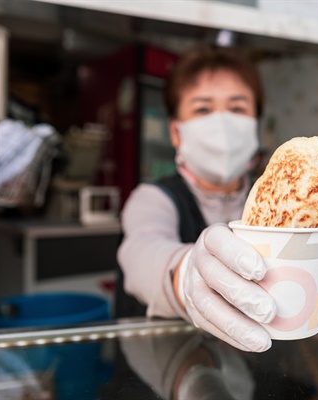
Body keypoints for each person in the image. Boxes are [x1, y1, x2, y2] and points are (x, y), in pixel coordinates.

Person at [116, 47, 277, 353]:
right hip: (163, 368)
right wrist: (186, 273)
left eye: (237, 108)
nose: (222, 125)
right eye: (203, 109)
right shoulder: (152, 198)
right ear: (175, 132)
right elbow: (141, 252)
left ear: (256, 124)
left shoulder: (270, 202)